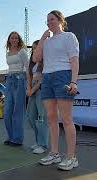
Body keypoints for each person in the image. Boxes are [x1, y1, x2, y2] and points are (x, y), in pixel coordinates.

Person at [33, 10, 80, 171]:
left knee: (66, 118)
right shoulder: (46, 41)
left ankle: (72, 157)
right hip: (47, 77)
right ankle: (54, 153)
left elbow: (74, 60)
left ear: (60, 20)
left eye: (52, 19)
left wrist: (73, 81)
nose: (49, 23)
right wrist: (42, 38)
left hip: (63, 75)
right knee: (51, 117)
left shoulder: (69, 36)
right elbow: (35, 58)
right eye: (47, 21)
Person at [3, 31, 29, 146]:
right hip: (9, 79)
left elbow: (28, 68)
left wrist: (29, 85)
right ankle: (11, 136)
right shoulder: (8, 53)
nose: (14, 40)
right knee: (7, 111)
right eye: (12, 38)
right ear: (9, 40)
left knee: (18, 111)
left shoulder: (22, 51)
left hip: (20, 80)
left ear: (19, 40)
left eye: (16, 38)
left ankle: (17, 139)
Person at [26, 40, 49, 154]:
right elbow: (29, 76)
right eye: (33, 48)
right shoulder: (32, 62)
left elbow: (43, 79)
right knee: (30, 116)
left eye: (37, 48)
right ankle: (38, 141)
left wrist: (33, 89)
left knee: (42, 117)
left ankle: (43, 144)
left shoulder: (45, 60)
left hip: (41, 89)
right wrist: (29, 88)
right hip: (32, 89)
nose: (35, 50)